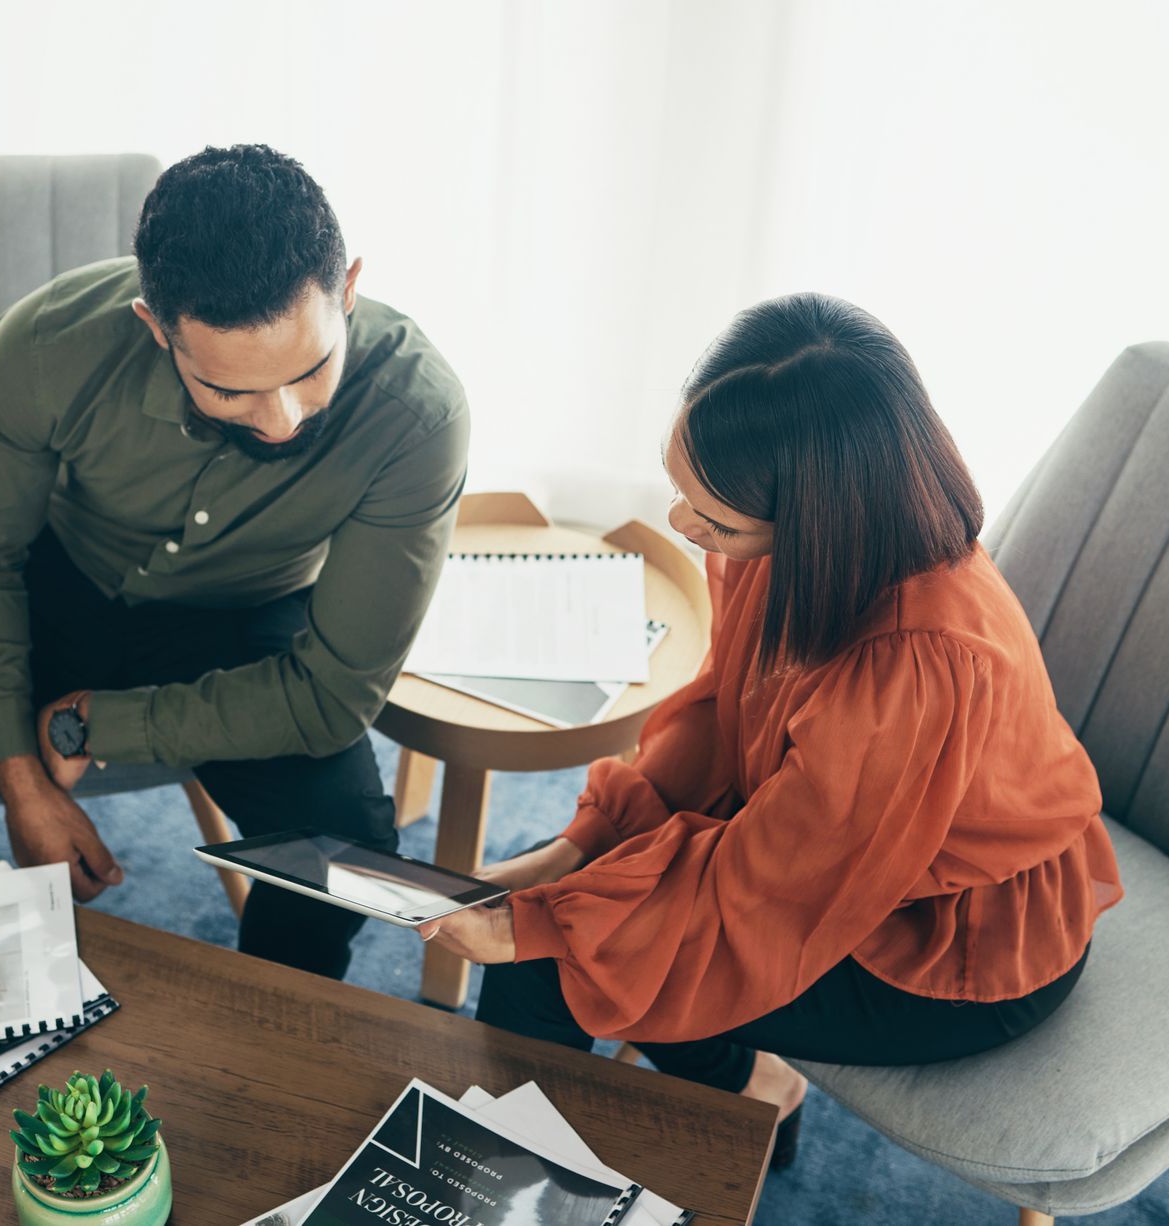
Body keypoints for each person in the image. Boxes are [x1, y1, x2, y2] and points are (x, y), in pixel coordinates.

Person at [419, 292, 1122, 1168]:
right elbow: (719, 714)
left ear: (817, 515)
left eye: (714, 520)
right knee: (591, 902)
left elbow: (780, 884)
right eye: (681, 489)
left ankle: (500, 1186)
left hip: (947, 940)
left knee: (557, 963)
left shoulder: (916, 661)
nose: (684, 527)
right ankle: (748, 1088)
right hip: (827, 849)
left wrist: (550, 925)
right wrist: (583, 846)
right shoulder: (811, 545)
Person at [0, 144, 470, 982]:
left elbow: (335, 698)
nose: (280, 421)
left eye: (310, 372)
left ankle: (268, 1047)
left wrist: (95, 723)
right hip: (56, 575)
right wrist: (22, 782)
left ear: (346, 290)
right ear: (155, 329)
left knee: (346, 845)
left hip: (247, 612)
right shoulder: (49, 342)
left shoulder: (417, 415)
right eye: (231, 392)